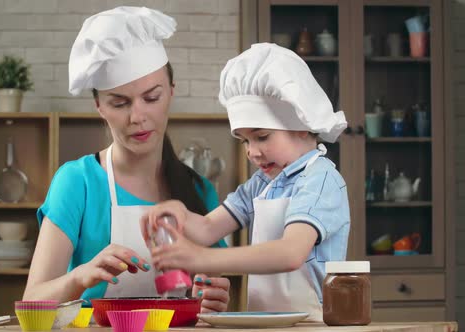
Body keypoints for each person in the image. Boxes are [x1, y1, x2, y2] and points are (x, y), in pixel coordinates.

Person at [22, 6, 230, 313]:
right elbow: (32, 302)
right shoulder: (77, 182)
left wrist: (215, 297)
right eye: (119, 103)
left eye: (152, 98)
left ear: (171, 92)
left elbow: (215, 293)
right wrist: (80, 276)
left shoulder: (198, 190)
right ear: (99, 106)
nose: (137, 117)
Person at [141, 43, 350, 321]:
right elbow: (207, 228)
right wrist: (178, 212)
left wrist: (199, 258)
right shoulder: (261, 182)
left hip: (315, 323)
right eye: (244, 141)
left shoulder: (320, 179)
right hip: (266, 321)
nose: (252, 152)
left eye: (262, 136)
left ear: (301, 125)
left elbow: (291, 253)